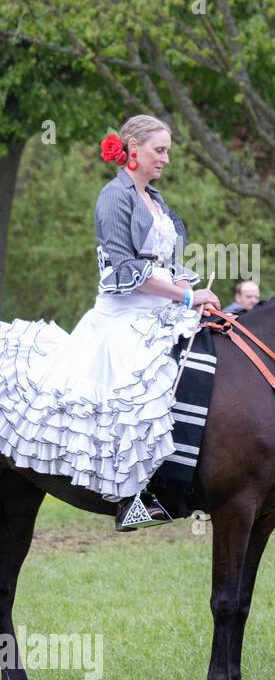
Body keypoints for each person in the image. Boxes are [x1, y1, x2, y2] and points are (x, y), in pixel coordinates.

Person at [0, 114, 221, 530]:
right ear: (133, 150)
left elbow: (168, 265)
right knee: (139, 394)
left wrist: (193, 292)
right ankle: (128, 496)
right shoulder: (114, 197)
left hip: (162, 312)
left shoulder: (156, 201)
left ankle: (175, 485)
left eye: (168, 151)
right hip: (123, 317)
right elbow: (123, 271)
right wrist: (188, 295)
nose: (166, 159)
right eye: (160, 150)